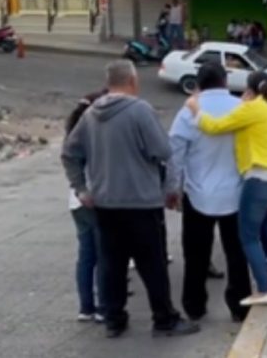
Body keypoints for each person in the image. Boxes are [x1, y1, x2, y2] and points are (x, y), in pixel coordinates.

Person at [62, 60, 199, 339]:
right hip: (141, 202)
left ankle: (114, 319)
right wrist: (170, 188)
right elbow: (162, 150)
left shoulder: (89, 115)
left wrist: (81, 189)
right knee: (153, 265)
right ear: (132, 82)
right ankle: (164, 319)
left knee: (111, 264)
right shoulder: (140, 111)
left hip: (104, 203)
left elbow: (69, 153)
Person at [185, 71, 267, 307]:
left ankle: (263, 289)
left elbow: (214, 126)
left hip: (260, 178)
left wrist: (195, 108)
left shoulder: (251, 108)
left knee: (248, 236)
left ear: (250, 89)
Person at [168, 63, 252, 322]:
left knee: (195, 254)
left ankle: (194, 306)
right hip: (235, 194)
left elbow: (175, 154)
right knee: (236, 254)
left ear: (198, 83)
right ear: (225, 81)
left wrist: (173, 189)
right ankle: (240, 307)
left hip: (197, 194)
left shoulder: (188, 111)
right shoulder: (241, 108)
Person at [65, 90, 108, 323]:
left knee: (86, 256)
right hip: (96, 199)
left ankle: (86, 307)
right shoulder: (93, 133)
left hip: (76, 202)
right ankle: (102, 306)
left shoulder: (72, 132)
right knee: (103, 256)